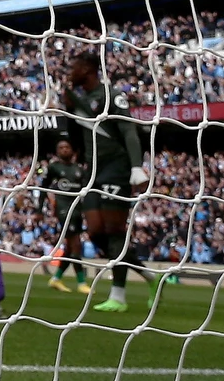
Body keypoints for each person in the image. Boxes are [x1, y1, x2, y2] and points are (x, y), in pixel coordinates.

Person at [61, 51, 156, 313]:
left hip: (116, 167)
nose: (71, 72)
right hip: (93, 171)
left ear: (89, 69)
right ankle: (148, 275)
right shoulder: (80, 101)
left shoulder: (111, 95)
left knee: (114, 231)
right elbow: (73, 137)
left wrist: (137, 167)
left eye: (76, 66)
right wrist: (68, 110)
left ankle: (119, 296)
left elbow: (128, 129)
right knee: (94, 232)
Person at [37, 135, 91, 294]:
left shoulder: (79, 170)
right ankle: (81, 282)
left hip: (77, 209)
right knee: (76, 245)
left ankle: (56, 279)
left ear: (72, 150)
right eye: (60, 148)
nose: (64, 150)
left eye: (66, 147)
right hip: (63, 208)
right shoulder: (54, 167)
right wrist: (39, 210)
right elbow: (43, 188)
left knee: (70, 247)